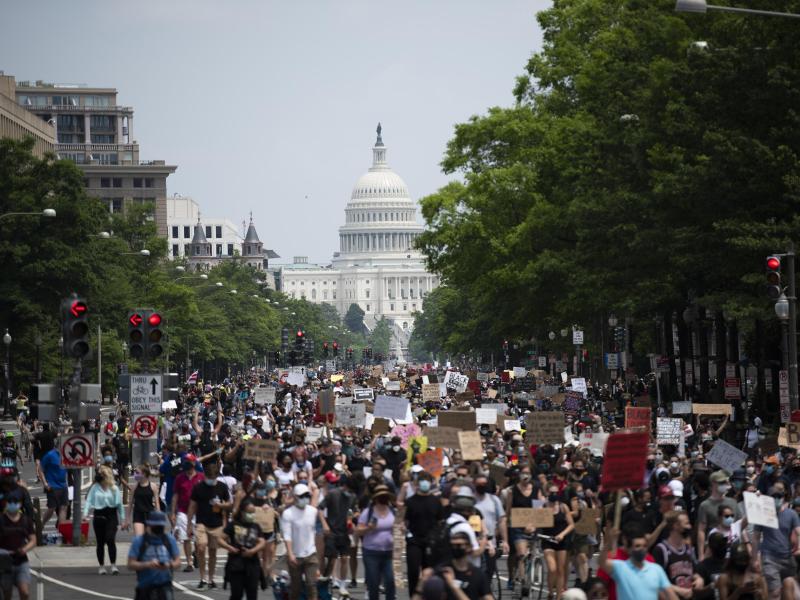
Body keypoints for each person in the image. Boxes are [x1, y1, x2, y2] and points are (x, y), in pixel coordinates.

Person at [599, 524, 678, 600]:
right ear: (629, 548)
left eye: (644, 546)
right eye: (637, 546)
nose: (642, 549)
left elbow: (670, 594)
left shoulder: (656, 569)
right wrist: (609, 542)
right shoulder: (620, 568)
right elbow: (602, 562)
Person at [411, 530, 493, 600]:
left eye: (459, 545)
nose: (455, 548)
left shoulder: (478, 575)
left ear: (469, 547)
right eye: (452, 545)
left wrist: (454, 586)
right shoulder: (441, 571)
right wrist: (421, 585)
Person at [751, 482, 800, 600]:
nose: (777, 499)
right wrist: (754, 559)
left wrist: (799, 547)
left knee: (790, 590)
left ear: (783, 498)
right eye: (774, 497)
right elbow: (756, 537)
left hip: (788, 558)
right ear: (768, 499)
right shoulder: (761, 515)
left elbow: (799, 531)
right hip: (769, 559)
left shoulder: (791, 514)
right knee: (775, 593)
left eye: (779, 496)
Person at [187, 462, 232, 589]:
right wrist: (189, 524)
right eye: (209, 477)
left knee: (213, 552)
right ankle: (203, 577)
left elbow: (229, 504)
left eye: (214, 478)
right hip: (201, 522)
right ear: (205, 475)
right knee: (201, 547)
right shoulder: (198, 487)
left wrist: (221, 506)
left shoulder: (222, 487)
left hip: (216, 524)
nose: (211, 480)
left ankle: (211, 578)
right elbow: (192, 506)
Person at [282, 482, 326, 600]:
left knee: (312, 585)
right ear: (295, 497)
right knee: (296, 588)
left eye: (307, 495)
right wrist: (290, 553)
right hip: (295, 556)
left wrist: (324, 524)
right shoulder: (288, 513)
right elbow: (287, 535)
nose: (305, 498)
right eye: (302, 496)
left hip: (311, 554)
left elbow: (319, 515)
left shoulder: (312, 511)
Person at [218, 499, 267, 600]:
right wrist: (230, 547)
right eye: (249, 513)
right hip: (236, 564)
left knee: (252, 594)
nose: (251, 515)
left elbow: (262, 542)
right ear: (242, 512)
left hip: (252, 564)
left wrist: (252, 551)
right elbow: (220, 539)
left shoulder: (255, 526)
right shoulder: (233, 525)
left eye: (253, 513)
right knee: (237, 594)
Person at [405, 471, 445, 593]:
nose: (424, 483)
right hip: (414, 542)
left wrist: (438, 537)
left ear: (431, 483)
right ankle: (414, 595)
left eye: (427, 480)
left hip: (431, 542)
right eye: (422, 480)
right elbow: (403, 521)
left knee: (429, 572)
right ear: (417, 483)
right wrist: (407, 534)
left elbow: (440, 521)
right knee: (413, 570)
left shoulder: (436, 501)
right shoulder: (410, 501)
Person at [127, 511, 182, 600]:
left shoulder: (169, 540)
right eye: (156, 526)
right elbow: (130, 564)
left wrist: (168, 565)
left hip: (165, 586)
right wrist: (147, 564)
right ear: (149, 525)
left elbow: (178, 562)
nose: (158, 529)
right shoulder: (140, 541)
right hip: (145, 587)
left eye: (160, 526)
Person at [356, 484, 396, 600]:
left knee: (390, 580)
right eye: (381, 496)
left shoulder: (393, 511)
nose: (384, 498)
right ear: (376, 498)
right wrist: (369, 528)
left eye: (385, 496)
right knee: (373, 583)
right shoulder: (368, 512)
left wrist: (400, 529)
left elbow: (399, 528)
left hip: (389, 552)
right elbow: (358, 530)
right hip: (371, 552)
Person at [319, 469, 355, 596]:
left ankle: (342, 586)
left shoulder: (352, 497)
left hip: (345, 532)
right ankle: (325, 583)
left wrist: (352, 520)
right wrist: (324, 524)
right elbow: (320, 508)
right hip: (332, 532)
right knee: (332, 559)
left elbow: (355, 511)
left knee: (345, 558)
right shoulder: (332, 494)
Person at [83, 465, 124, 575]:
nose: (99, 476)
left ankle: (113, 565)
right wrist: (85, 513)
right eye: (98, 474)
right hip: (99, 515)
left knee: (110, 539)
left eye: (102, 474)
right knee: (100, 542)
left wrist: (123, 519)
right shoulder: (95, 487)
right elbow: (88, 501)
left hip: (111, 515)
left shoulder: (114, 488)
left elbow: (120, 505)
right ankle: (101, 566)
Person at [651, 511, 700, 598]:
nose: (690, 527)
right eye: (686, 523)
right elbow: (655, 581)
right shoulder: (661, 550)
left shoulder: (688, 548)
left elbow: (695, 572)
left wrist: (699, 579)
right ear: (675, 526)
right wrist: (677, 590)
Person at [538, 482, 575, 599]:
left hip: (561, 541)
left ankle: (558, 596)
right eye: (551, 492)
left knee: (560, 569)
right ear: (547, 493)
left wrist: (562, 534)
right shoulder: (542, 506)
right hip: (547, 540)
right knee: (552, 568)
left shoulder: (563, 507)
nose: (554, 494)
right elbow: (535, 522)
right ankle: (550, 591)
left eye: (556, 492)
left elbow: (571, 525)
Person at [0, 491, 36, 600]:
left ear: (19, 504)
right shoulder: (1, 520)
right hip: (4, 562)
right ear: (6, 504)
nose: (12, 504)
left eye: (15, 502)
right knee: (7, 594)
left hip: (21, 561)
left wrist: (24, 549)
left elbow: (33, 540)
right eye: (9, 502)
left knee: (24, 592)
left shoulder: (25, 520)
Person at [696, 471, 740, 561]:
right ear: (713, 484)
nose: (725, 485)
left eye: (725, 482)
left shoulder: (732, 502)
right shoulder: (705, 505)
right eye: (721, 482)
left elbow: (739, 525)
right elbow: (701, 530)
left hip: (732, 548)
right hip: (713, 550)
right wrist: (701, 554)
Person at [170, 456, 203, 572]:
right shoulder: (180, 478)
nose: (188, 470)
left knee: (199, 540)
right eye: (186, 467)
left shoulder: (201, 477)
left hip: (198, 512)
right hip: (183, 511)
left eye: (190, 466)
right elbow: (175, 496)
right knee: (186, 537)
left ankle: (197, 554)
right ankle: (189, 562)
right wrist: (173, 512)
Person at [125, 464, 161, 536]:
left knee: (149, 538)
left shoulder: (153, 486)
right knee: (139, 538)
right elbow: (130, 504)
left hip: (150, 514)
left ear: (144, 474)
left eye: (137, 473)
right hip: (138, 515)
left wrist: (159, 518)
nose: (135, 474)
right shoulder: (134, 487)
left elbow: (157, 503)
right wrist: (127, 519)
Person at [37, 443, 68, 526]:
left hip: (63, 485)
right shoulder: (50, 455)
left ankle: (62, 529)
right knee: (52, 508)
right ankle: (41, 525)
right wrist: (45, 483)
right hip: (52, 486)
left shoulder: (66, 454)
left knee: (63, 507)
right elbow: (40, 469)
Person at [693, 532, 728, 600]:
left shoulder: (730, 564)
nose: (723, 548)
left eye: (724, 545)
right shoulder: (702, 567)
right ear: (711, 548)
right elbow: (696, 594)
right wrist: (713, 586)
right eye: (720, 546)